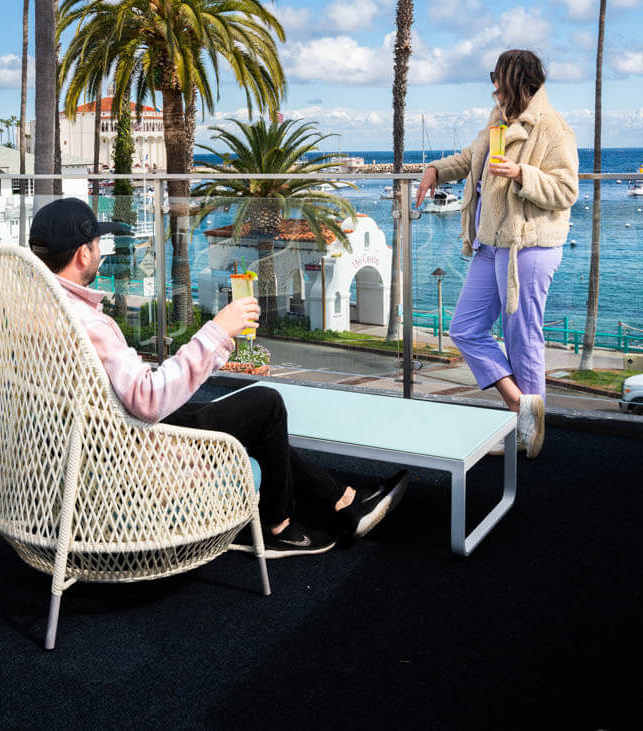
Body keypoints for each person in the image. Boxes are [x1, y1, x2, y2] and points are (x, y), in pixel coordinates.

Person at [29, 197, 409, 558]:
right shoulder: (88, 323)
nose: (100, 250)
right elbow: (146, 398)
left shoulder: (37, 308)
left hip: (94, 434)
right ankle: (280, 526)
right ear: (83, 254)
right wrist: (217, 331)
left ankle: (344, 500)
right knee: (266, 403)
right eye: (98, 244)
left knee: (241, 417)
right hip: (128, 447)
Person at [415, 49, 578, 458]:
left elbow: (566, 190)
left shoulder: (553, 129)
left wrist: (523, 174)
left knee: (522, 339)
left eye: (497, 77)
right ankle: (520, 407)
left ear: (517, 81)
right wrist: (435, 169)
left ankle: (528, 434)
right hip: (490, 243)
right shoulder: (497, 119)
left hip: (529, 246)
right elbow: (472, 159)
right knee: (465, 328)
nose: (492, 86)